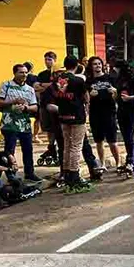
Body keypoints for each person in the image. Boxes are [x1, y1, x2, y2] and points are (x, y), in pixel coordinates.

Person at [0, 64, 40, 182]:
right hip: (9, 124)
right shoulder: (6, 85)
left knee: (28, 150)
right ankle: (10, 175)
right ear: (14, 73)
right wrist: (13, 101)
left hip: (24, 125)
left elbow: (35, 107)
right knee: (10, 151)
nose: (24, 75)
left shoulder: (30, 89)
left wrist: (26, 108)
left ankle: (30, 173)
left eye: (26, 72)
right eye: (21, 72)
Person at [54, 56, 93, 193]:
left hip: (63, 115)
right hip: (77, 116)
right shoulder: (78, 80)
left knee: (67, 145)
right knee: (76, 146)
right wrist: (87, 106)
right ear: (76, 65)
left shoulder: (58, 80)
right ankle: (74, 176)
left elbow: (56, 96)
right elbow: (86, 96)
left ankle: (66, 174)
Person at [85, 56, 121, 170]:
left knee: (112, 141)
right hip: (95, 113)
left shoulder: (110, 78)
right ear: (91, 66)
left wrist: (114, 93)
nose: (98, 66)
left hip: (109, 112)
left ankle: (118, 163)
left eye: (99, 64)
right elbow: (85, 99)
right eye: (95, 64)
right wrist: (90, 96)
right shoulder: (88, 81)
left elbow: (117, 97)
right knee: (99, 141)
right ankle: (102, 164)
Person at [113, 60, 134, 175]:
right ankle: (131, 160)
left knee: (130, 136)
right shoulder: (117, 79)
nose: (114, 70)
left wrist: (130, 97)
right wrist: (114, 95)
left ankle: (131, 160)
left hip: (131, 110)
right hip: (121, 110)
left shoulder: (132, 78)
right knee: (125, 137)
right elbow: (117, 96)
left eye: (115, 67)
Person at [35, 51, 59, 164]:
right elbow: (36, 87)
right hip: (44, 104)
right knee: (48, 128)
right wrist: (49, 86)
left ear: (55, 60)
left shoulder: (58, 73)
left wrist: (45, 86)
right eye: (45, 59)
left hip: (57, 105)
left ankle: (58, 147)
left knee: (58, 127)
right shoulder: (42, 74)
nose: (47, 62)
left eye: (49, 59)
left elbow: (58, 86)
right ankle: (51, 146)